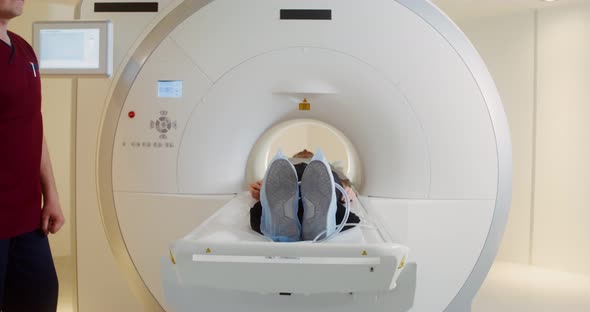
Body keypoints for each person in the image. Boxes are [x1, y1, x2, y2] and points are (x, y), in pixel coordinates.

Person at [1, 0, 65, 311]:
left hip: (27, 218)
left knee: (41, 297)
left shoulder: (24, 50)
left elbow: (33, 125)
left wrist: (50, 194)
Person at [249, 149, 360, 242]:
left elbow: (270, 183)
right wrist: (346, 190)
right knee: (328, 186)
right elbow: (344, 184)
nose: (305, 154)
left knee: (263, 208)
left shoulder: (282, 166)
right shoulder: (326, 167)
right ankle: (320, 228)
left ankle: (281, 229)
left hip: (290, 181)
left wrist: (265, 194)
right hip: (317, 182)